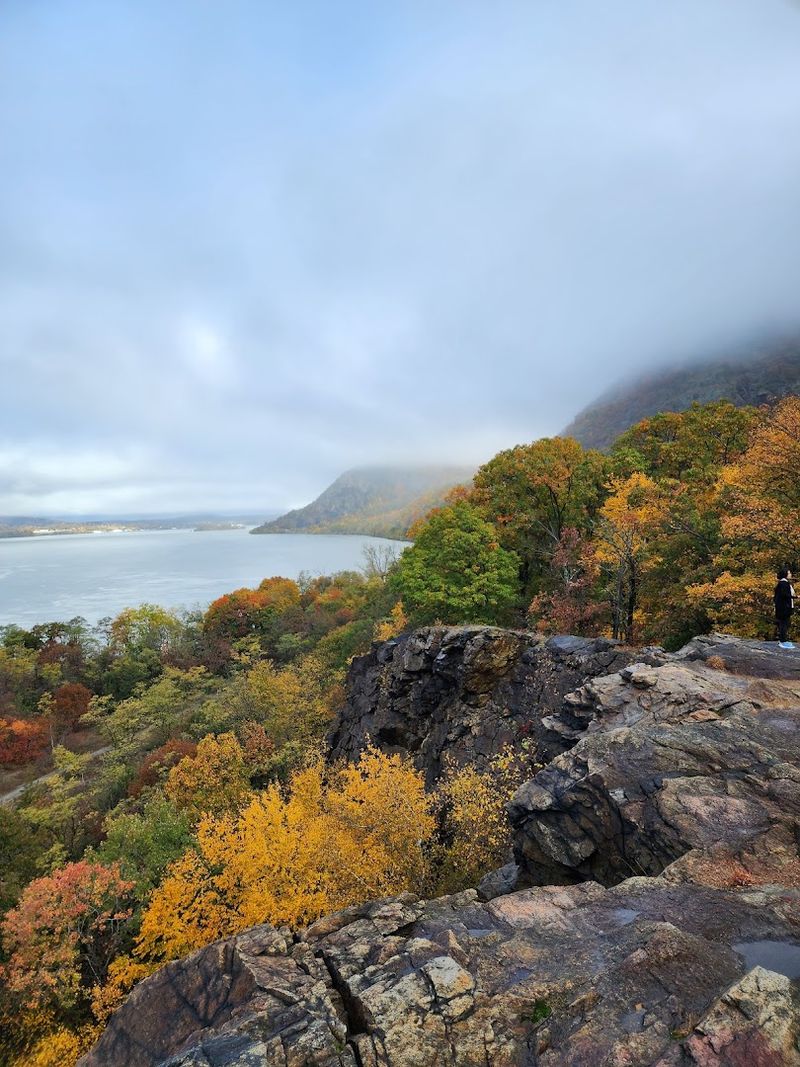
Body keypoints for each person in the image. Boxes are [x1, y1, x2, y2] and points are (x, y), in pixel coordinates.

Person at [774, 566, 795, 648]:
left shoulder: (782, 583)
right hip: (784, 608)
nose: (790, 574)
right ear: (785, 574)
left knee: (784, 624)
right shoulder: (784, 584)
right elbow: (785, 595)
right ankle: (783, 641)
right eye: (789, 573)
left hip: (782, 608)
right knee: (784, 624)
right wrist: (795, 597)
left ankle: (783, 640)